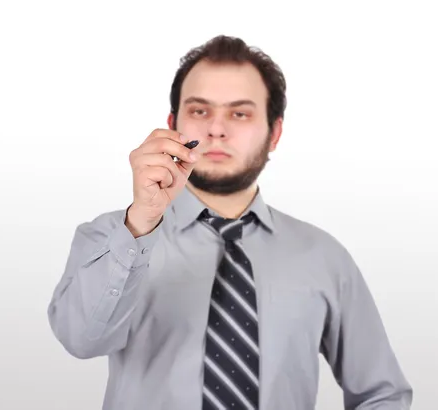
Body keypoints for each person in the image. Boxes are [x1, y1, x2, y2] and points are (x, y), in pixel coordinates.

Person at [47, 35, 413, 410]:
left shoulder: (324, 257)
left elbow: (382, 393)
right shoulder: (113, 235)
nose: (216, 130)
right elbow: (81, 341)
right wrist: (141, 222)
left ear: (275, 133)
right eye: (200, 111)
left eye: (240, 113)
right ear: (173, 124)